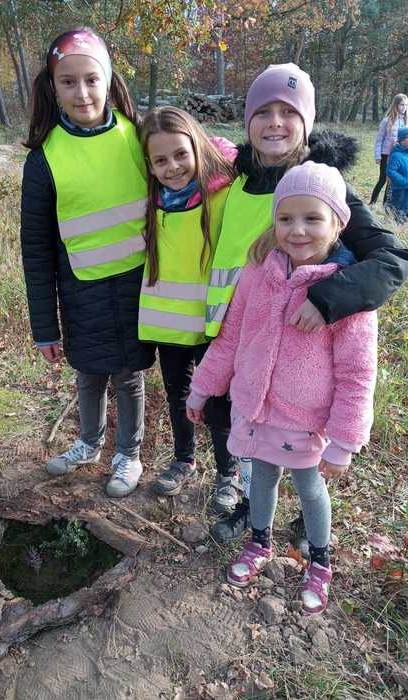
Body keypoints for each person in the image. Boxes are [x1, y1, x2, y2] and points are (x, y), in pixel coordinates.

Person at [201, 63, 408, 545]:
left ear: (306, 121)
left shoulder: (321, 186)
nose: (274, 122)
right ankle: (248, 501)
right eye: (263, 112)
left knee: (298, 442)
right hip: (233, 331)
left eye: (288, 112)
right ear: (248, 120)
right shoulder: (236, 178)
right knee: (235, 420)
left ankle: (303, 520)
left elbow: (392, 258)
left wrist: (328, 299)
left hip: (296, 343)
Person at [188, 161, 378, 615]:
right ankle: (260, 541)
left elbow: (357, 374)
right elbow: (230, 337)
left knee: (310, 488)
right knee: (262, 478)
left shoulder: (347, 293)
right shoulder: (258, 273)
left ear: (338, 223)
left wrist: (345, 441)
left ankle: (320, 561)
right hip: (255, 408)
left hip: (305, 420)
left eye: (313, 218)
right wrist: (202, 388)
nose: (297, 230)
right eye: (286, 218)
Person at [20, 27, 155, 498]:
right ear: (52, 87)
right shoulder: (44, 160)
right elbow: (36, 251)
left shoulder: (138, 138)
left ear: (109, 80)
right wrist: (45, 329)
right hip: (82, 292)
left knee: (129, 376)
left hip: (138, 287)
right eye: (68, 81)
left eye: (92, 79)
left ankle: (129, 454)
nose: (82, 93)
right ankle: (89, 444)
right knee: (90, 374)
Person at [138, 107, 240, 511]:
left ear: (198, 146)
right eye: (160, 160)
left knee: (216, 398)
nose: (173, 167)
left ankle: (228, 472)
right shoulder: (148, 199)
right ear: (149, 165)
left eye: (181, 154)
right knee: (177, 393)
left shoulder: (223, 193)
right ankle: (184, 459)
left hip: (213, 321)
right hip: (168, 322)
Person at [370, 94, 408, 205]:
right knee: (382, 179)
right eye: (401, 104)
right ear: (395, 105)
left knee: (391, 182)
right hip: (386, 155)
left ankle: (386, 205)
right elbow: (379, 140)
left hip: (399, 155)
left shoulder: (406, 122)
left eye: (406, 105)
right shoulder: (386, 121)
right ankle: (372, 203)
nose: (404, 107)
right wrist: (378, 156)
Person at [386, 126, 408, 223]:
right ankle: (392, 223)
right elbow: (391, 171)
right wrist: (403, 181)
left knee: (405, 207)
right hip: (399, 188)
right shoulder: (396, 155)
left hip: (407, 187)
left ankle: (401, 223)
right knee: (396, 207)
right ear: (402, 140)